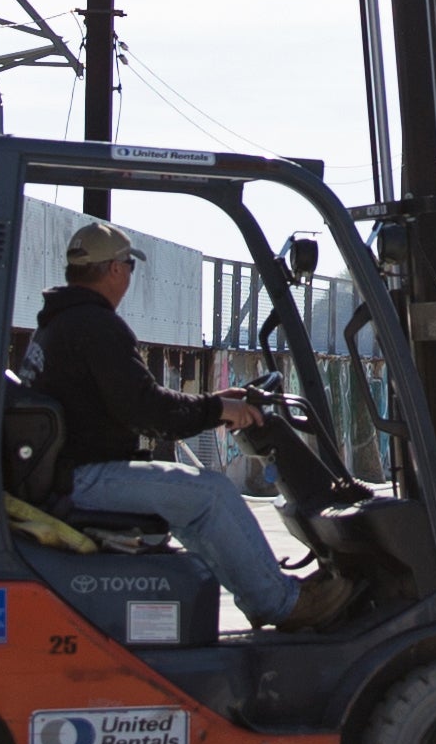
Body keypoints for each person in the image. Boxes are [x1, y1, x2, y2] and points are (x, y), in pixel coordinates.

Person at [34, 222, 295, 624]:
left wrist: (216, 404)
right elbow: (149, 411)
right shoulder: (96, 326)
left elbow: (138, 403)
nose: (128, 277)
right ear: (116, 270)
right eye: (129, 267)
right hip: (83, 477)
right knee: (211, 493)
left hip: (68, 471)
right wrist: (217, 410)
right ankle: (282, 603)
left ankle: (264, 598)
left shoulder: (57, 324)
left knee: (190, 501)